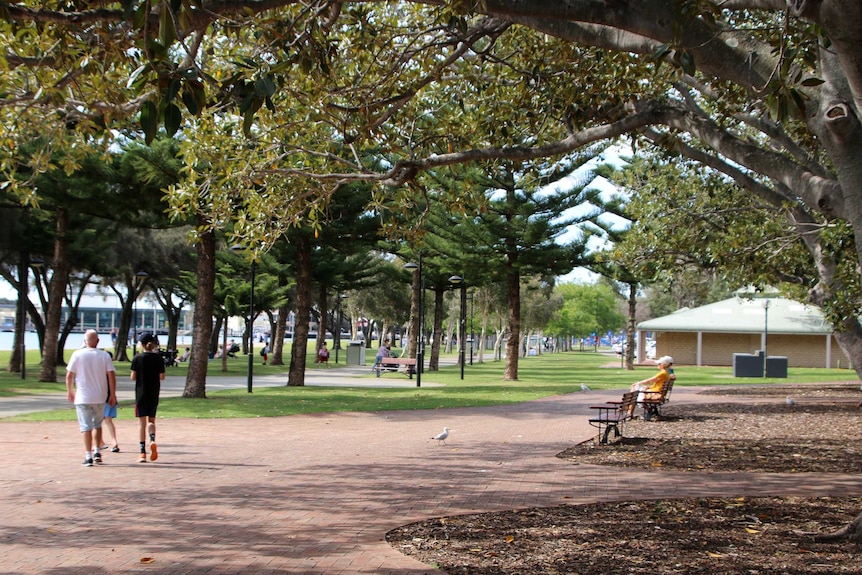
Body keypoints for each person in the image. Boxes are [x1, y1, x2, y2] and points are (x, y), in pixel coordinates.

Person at [65, 330, 117, 467]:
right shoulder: (104, 355)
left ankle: (88, 455)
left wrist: (70, 390)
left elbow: (69, 375)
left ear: (84, 341)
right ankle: (97, 451)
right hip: (100, 396)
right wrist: (112, 394)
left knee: (85, 427)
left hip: (83, 397)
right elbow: (111, 376)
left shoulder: (77, 354)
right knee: (97, 424)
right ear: (97, 341)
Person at [131, 332, 166, 463]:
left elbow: (133, 377)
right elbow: (162, 377)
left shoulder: (137, 358)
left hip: (141, 394)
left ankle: (142, 452)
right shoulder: (158, 358)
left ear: (142, 344)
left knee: (141, 423)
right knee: (151, 421)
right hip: (153, 392)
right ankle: (152, 439)